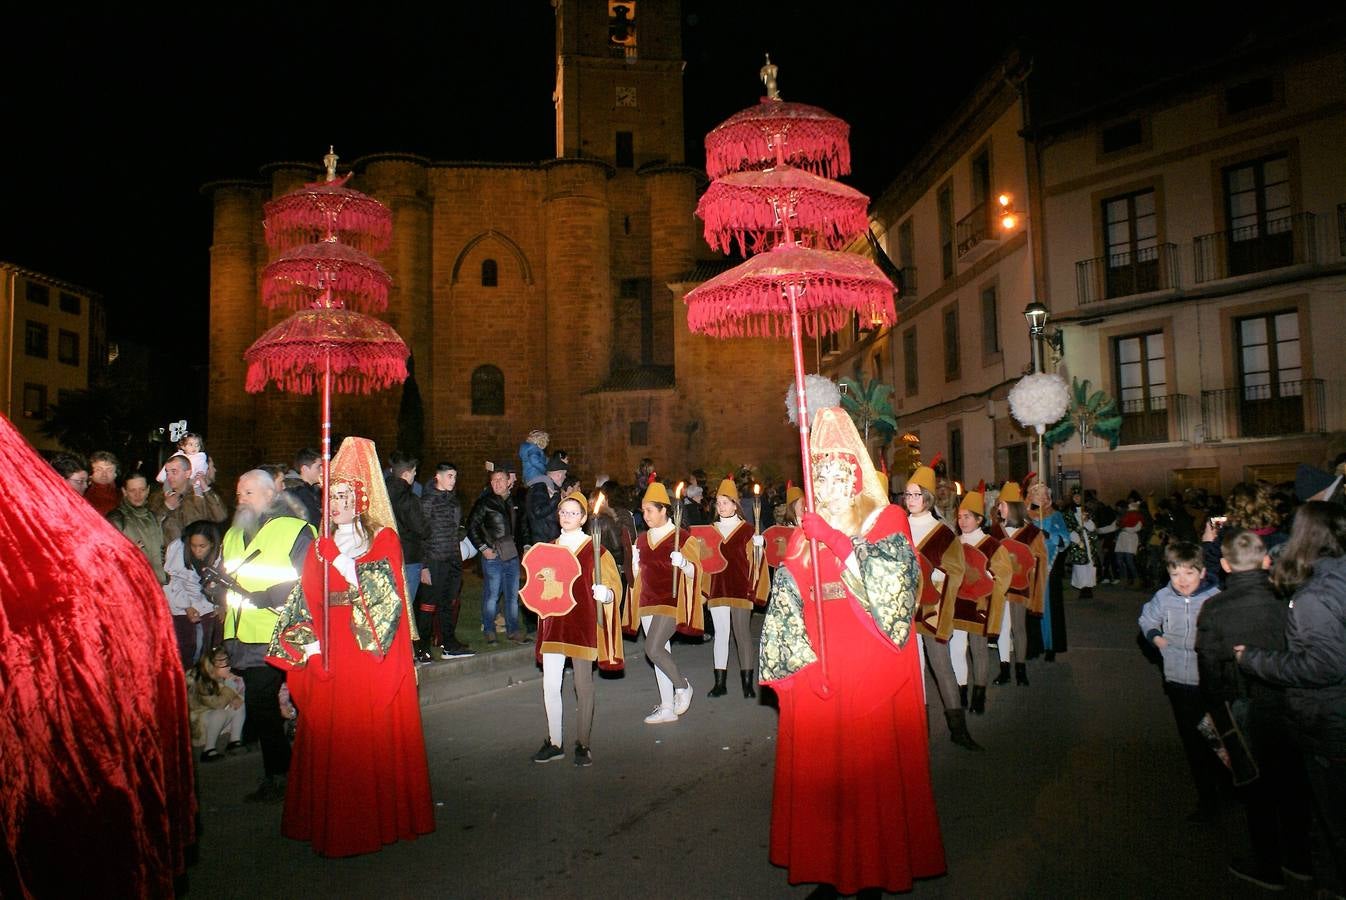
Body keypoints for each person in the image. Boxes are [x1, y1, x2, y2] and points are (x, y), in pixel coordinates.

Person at [0, 413, 194, 898]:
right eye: (97, 479)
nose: (104, 485)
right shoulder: (111, 529)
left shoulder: (93, 550)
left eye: (101, 478)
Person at [761, 406, 945, 895]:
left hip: (870, 660)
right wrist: (792, 657)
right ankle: (827, 869)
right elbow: (788, 598)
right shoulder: (806, 529)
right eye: (822, 475)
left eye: (841, 473)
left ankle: (869, 874)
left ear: (857, 474)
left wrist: (840, 545)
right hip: (821, 662)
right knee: (826, 772)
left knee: (865, 770)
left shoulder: (887, 518)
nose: (833, 483)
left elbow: (898, 586)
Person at [267, 436, 435, 857]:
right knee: (331, 733)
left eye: (345, 495)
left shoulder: (383, 540)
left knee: (366, 731)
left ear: (361, 498)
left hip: (368, 649)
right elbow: (305, 598)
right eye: (332, 495)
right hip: (331, 645)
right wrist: (309, 651)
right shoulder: (318, 542)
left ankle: (372, 819)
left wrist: (339, 560)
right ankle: (329, 820)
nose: (337, 503)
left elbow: (383, 597)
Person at [1237, 501, 1346, 893]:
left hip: (1329, 718)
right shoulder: (1336, 572)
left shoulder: (1315, 596)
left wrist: (1254, 660)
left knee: (1335, 819)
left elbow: (1323, 665)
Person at [1196, 528, 1312, 890]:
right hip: (1289, 701)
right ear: (1266, 561)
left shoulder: (1214, 608)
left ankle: (1268, 865)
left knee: (1257, 788)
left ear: (1226, 565)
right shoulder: (1287, 598)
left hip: (1242, 707)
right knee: (1293, 783)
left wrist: (1215, 716)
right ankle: (1300, 860)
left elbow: (1210, 669)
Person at [221, 469, 314, 803]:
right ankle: (281, 773)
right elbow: (225, 573)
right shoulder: (233, 534)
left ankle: (299, 770)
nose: (241, 499)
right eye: (238, 493)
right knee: (261, 707)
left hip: (284, 631)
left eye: (248, 493)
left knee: (299, 702)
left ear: (269, 495)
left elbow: (312, 578)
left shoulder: (295, 530)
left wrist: (272, 595)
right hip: (245, 635)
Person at [530, 492, 625, 766]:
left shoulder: (596, 549)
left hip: (582, 624)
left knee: (582, 685)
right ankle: (555, 741)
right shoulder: (549, 548)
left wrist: (605, 593)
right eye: (563, 512)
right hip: (554, 624)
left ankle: (583, 743)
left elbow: (615, 587)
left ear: (583, 518)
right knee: (550, 685)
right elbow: (537, 588)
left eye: (573, 513)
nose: (566, 517)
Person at [1138, 541, 1224, 822]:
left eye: (1188, 573)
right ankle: (1208, 798)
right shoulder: (1164, 597)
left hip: (1209, 680)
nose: (1182, 581)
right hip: (1178, 679)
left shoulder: (1215, 598)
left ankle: (1227, 783)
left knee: (1215, 736)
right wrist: (1156, 638)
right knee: (1192, 740)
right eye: (1175, 574)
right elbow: (1147, 619)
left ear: (1202, 572)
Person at [904, 464, 979, 750]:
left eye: (916, 494)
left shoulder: (942, 532)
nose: (910, 499)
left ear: (928, 498)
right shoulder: (897, 525)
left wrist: (935, 576)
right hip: (904, 607)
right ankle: (917, 731)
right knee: (913, 669)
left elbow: (956, 569)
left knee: (941, 666)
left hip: (931, 605)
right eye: (908, 494)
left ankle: (958, 730)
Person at [622, 480, 702, 724]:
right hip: (647, 600)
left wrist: (685, 564)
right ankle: (667, 706)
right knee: (660, 654)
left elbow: (698, 573)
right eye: (643, 510)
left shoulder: (683, 538)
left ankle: (683, 686)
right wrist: (633, 565)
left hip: (671, 600)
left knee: (653, 649)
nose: (644, 515)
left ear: (664, 510)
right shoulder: (642, 540)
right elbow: (636, 578)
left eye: (649, 510)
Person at [703, 478, 767, 699]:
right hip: (718, 587)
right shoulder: (710, 531)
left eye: (725, 502)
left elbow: (755, 563)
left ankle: (747, 683)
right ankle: (720, 683)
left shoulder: (748, 530)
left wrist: (759, 548)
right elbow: (704, 558)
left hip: (741, 588)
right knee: (721, 634)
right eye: (718, 503)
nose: (721, 507)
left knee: (742, 634)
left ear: (735, 505)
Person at [951, 489, 1012, 715]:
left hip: (980, 604)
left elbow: (1004, 574)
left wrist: (990, 579)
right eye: (960, 516)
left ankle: (979, 695)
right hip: (957, 603)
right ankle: (961, 691)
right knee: (956, 649)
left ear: (979, 519)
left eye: (968, 517)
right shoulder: (954, 543)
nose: (963, 521)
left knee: (978, 650)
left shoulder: (992, 545)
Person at [988, 481, 1049, 686]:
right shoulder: (995, 532)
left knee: (1019, 628)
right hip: (1000, 587)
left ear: (1013, 506)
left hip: (1021, 587)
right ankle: (1004, 668)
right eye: (999, 505)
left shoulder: (1032, 533)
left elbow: (1040, 562)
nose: (999, 508)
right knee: (1002, 627)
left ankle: (1020, 669)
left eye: (1002, 504)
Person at [467, 460, 526, 644]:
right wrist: (483, 548)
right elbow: (471, 526)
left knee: (512, 594)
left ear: (509, 481)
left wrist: (525, 546)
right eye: (493, 481)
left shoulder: (515, 502)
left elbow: (522, 527)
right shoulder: (485, 502)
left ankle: (513, 629)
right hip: (493, 556)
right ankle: (489, 629)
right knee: (492, 594)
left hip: (512, 555)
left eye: (500, 480)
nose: (496, 484)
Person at [420, 461, 473, 659]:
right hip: (434, 559)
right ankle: (422, 647)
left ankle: (448, 643)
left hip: (452, 557)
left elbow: (458, 526)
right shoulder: (427, 501)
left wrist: (460, 532)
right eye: (449, 476)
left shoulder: (453, 501)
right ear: (438, 476)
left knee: (448, 603)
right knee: (429, 604)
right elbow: (422, 534)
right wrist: (424, 566)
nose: (453, 480)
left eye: (455, 476)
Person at [164, 520, 226, 668]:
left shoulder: (221, 553)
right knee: (189, 647)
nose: (197, 551)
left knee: (211, 646)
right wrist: (186, 606)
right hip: (181, 605)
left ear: (212, 544)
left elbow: (222, 583)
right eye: (193, 546)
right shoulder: (178, 549)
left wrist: (220, 604)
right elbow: (172, 581)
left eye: (202, 546)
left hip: (207, 605)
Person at [151, 453, 228, 546]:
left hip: (197, 552)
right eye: (167, 472)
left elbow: (221, 516)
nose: (169, 477)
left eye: (174, 472)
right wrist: (166, 507)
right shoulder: (159, 497)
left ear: (187, 473)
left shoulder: (200, 495)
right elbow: (150, 527)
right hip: (170, 555)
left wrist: (206, 490)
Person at [187, 646, 246, 763]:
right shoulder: (200, 681)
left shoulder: (222, 678)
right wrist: (229, 689)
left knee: (240, 704)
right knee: (220, 714)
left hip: (211, 717)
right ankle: (208, 750)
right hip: (198, 722)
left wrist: (234, 694)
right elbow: (216, 704)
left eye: (228, 662)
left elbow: (238, 697)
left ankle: (234, 741)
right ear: (212, 667)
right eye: (224, 664)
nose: (228, 667)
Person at [107, 472, 167, 587]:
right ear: (124, 492)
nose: (138, 495)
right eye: (132, 490)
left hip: (157, 583)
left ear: (148, 490)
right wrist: (130, 552)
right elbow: (109, 555)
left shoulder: (152, 516)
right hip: (132, 584)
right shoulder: (116, 518)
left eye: (142, 490)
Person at [282, 447, 323, 526]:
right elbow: (315, 521)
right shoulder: (298, 492)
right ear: (305, 469)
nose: (323, 470)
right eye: (319, 467)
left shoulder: (312, 490)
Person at [86, 450, 121, 515]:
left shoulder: (123, 496)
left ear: (115, 474)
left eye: (109, 470)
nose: (104, 474)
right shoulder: (82, 494)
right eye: (99, 469)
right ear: (91, 473)